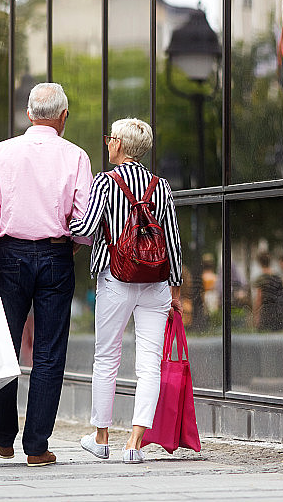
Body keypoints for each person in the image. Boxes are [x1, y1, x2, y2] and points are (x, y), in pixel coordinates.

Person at [0, 82, 93, 467]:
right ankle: (37, 445)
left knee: (5, 346)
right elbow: (84, 223)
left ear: (30, 114)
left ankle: (2, 437)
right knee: (49, 353)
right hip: (56, 258)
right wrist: (71, 242)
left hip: (11, 257)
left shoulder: (2, 152)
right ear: (63, 116)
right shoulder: (77, 156)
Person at [69, 118, 183, 464]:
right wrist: (175, 290)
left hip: (116, 278)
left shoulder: (105, 181)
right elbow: (174, 242)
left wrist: (60, 224)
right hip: (156, 283)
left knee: (106, 357)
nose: (107, 143)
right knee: (149, 363)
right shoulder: (161, 186)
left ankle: (101, 437)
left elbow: (86, 227)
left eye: (109, 139)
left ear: (118, 144)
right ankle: (134, 443)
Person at [253, 252, 283, 331]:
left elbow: (259, 298)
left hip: (265, 311)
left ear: (259, 263)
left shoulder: (261, 278)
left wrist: (256, 315)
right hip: (277, 311)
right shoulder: (277, 277)